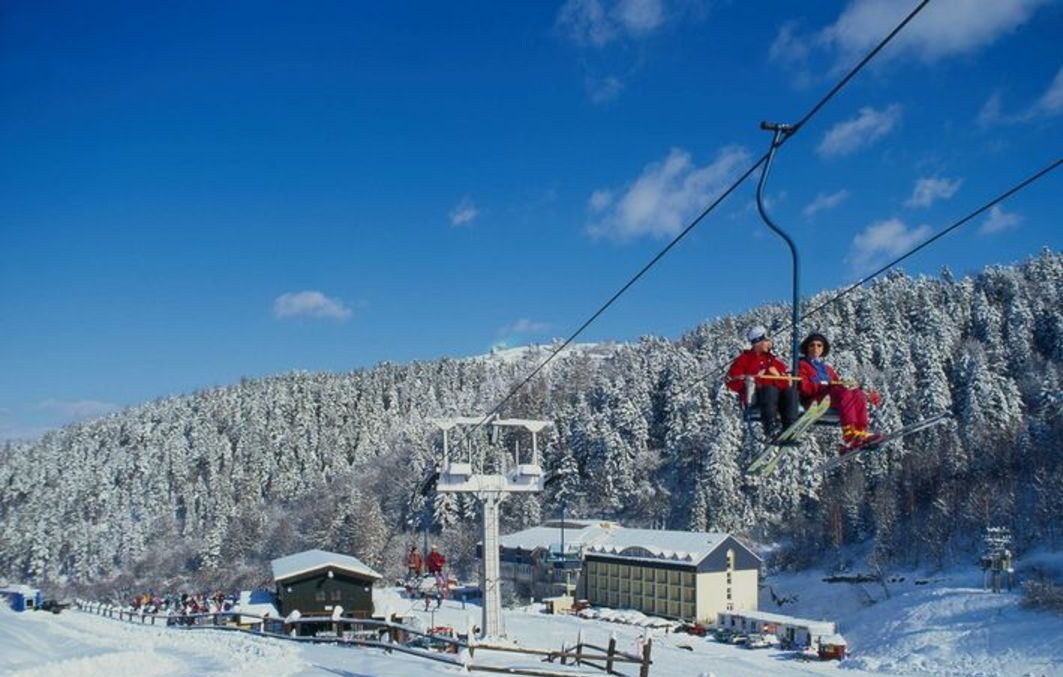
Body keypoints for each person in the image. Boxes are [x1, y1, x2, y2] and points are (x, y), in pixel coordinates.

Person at [797, 332, 883, 454]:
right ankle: (849, 433)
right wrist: (822, 384)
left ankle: (860, 431)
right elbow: (804, 387)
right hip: (813, 399)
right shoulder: (802, 365)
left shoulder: (827, 368)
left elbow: (836, 385)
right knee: (844, 393)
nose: (816, 348)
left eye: (819, 345)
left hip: (828, 397)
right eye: (812, 345)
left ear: (823, 349)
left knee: (857, 393)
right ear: (807, 347)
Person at [727, 325, 799, 439]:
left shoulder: (775, 362)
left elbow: (785, 383)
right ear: (757, 342)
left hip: (777, 396)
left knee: (791, 392)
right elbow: (732, 380)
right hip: (758, 396)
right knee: (770, 390)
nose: (769, 344)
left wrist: (779, 376)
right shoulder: (744, 360)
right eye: (766, 341)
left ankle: (790, 426)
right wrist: (752, 379)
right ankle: (770, 427)